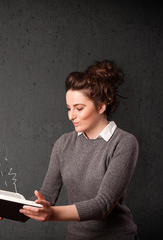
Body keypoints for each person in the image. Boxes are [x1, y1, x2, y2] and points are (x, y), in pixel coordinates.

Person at [19, 60, 139, 239]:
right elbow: (47, 195)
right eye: (68, 108)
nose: (71, 115)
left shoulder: (124, 143)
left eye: (79, 108)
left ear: (101, 106)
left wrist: (52, 214)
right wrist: (6, 209)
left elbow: (103, 205)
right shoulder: (63, 144)